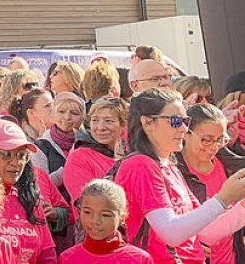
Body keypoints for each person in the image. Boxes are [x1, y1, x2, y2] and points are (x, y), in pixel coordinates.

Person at [113, 88, 245, 263]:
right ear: (147, 123)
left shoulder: (170, 166)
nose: (183, 128)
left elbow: (206, 232)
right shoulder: (140, 165)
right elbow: (171, 233)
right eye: (175, 121)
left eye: (185, 121)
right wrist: (223, 199)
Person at [0, 119, 58, 264]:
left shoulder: (29, 199)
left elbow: (47, 254)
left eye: (21, 155)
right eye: (5, 154)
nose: (15, 162)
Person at [174, 104, 241, 264]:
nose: (213, 147)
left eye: (220, 140)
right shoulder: (171, 171)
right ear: (186, 134)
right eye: (206, 140)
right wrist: (185, 243)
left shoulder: (228, 165)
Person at [59, 180, 151, 263]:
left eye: (105, 215)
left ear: (121, 217)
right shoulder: (68, 259)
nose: (95, 221)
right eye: (87, 212)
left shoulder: (139, 259)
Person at [63, 97, 128, 210]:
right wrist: (119, 164)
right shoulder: (79, 157)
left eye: (109, 121)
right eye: (95, 120)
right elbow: (87, 203)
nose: (100, 127)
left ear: (123, 126)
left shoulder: (135, 153)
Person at [32, 91, 85, 192]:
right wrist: (71, 163)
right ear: (53, 114)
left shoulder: (88, 143)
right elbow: (42, 185)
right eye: (61, 112)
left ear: (82, 118)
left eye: (74, 113)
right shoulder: (41, 146)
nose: (67, 117)